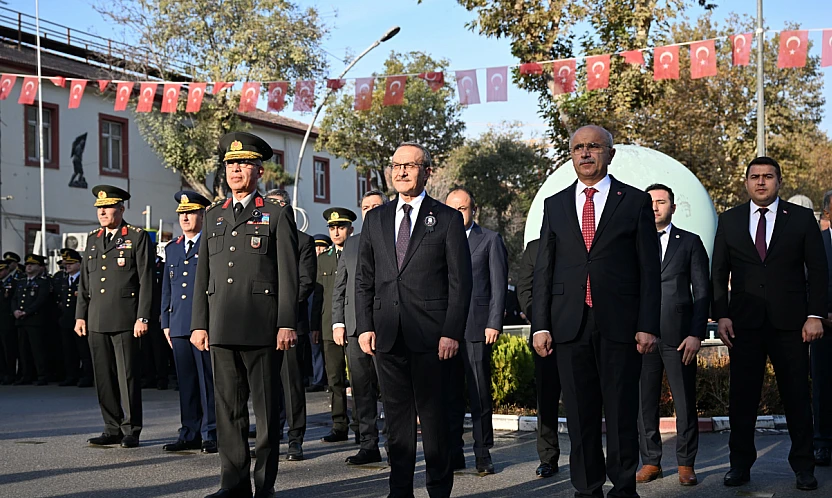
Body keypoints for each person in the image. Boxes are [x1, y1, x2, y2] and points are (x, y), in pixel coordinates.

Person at [532, 125, 661, 498]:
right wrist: (540, 325)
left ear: (610, 153)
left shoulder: (634, 201)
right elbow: (545, 269)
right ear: (571, 155)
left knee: (621, 413)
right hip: (569, 325)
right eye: (578, 148)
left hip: (620, 325)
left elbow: (649, 269)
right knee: (580, 416)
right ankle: (586, 489)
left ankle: (623, 488)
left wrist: (647, 325)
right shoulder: (554, 204)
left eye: (594, 147)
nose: (586, 153)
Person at [355, 142, 473, 498]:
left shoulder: (447, 218)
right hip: (388, 336)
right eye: (396, 165)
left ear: (427, 172)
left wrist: (452, 332)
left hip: (433, 339)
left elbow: (460, 282)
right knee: (396, 422)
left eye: (410, 166)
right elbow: (365, 278)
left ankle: (438, 489)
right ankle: (399, 490)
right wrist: (365, 326)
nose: (401, 172)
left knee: (435, 422)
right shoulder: (376, 218)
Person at [191, 131, 299, 498]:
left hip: (261, 326)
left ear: (259, 171)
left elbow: (288, 274)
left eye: (244, 164)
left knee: (267, 415)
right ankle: (233, 484)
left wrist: (286, 322)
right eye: (231, 164)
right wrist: (199, 324)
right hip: (220, 325)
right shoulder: (213, 216)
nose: (236, 169)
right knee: (228, 412)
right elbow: (202, 274)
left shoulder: (275, 214)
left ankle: (264, 486)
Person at [712, 156, 827, 491]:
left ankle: (804, 467)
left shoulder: (802, 219)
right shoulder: (730, 220)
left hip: (792, 324)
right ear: (746, 182)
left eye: (768, 176)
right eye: (754, 176)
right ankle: (739, 465)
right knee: (742, 399)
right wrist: (721, 314)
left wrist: (815, 315)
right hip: (743, 324)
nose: (761, 182)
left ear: (779, 181)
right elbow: (719, 273)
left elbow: (818, 271)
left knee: (795, 397)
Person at [636, 184, 710, 486]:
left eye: (661, 201)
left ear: (673, 207)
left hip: (680, 338)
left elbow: (702, 292)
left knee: (684, 403)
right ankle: (650, 461)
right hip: (642, 337)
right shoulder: (633, 242)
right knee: (644, 404)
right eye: (650, 202)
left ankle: (685, 463)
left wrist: (696, 334)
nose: (655, 207)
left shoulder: (690, 242)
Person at [76, 185, 154, 449]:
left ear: (121, 209)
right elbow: (84, 283)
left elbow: (146, 280)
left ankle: (131, 428)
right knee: (103, 376)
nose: (103, 212)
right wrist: (80, 316)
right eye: (99, 208)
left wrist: (142, 317)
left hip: (125, 319)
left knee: (127, 375)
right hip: (96, 318)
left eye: (108, 207)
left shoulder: (136, 236)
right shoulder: (93, 238)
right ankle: (111, 427)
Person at [445, 186, 507, 475]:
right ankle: (454, 452)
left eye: (463, 208)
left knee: (479, 394)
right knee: (449, 395)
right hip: (444, 330)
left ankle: (483, 453)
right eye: (452, 208)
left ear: (473, 210)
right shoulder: (437, 238)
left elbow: (498, 285)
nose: (458, 214)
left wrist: (494, 322)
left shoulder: (490, 240)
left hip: (476, 328)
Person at [160, 190, 217, 455]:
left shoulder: (210, 244)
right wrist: (166, 321)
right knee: (186, 382)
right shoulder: (172, 248)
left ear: (202, 214)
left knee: (207, 380)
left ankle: (210, 432)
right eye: (181, 213)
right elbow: (167, 288)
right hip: (179, 322)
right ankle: (189, 431)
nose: (185, 217)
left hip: (202, 323)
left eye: (190, 212)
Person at [332, 189, 387, 465]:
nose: (370, 210)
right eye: (366, 207)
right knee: (362, 391)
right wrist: (338, 322)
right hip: (354, 329)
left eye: (376, 205)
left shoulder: (395, 239)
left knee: (390, 390)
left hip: (386, 328)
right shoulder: (351, 244)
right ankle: (369, 444)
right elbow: (339, 287)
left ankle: (396, 444)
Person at [265, 188, 317, 462]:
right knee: (266, 385)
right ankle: (269, 436)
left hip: (290, 323)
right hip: (262, 323)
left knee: (291, 384)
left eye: (277, 204)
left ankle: (295, 437)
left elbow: (305, 282)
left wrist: (281, 307)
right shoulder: (261, 237)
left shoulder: (303, 241)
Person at [312, 206, 358, 443]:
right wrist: (315, 326)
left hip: (354, 325)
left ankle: (361, 424)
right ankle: (339, 425)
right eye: (332, 227)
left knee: (359, 378)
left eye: (340, 227)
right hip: (330, 325)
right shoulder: (324, 259)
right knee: (335, 379)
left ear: (350, 229)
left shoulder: (358, 253)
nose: (336, 231)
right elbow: (318, 295)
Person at [517, 238, 561, 479]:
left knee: (585, 399)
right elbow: (525, 290)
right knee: (546, 400)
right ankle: (548, 458)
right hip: (545, 337)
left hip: (579, 334)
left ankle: (586, 457)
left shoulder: (580, 243)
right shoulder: (535, 248)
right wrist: (542, 324)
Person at [813, 190, 832, 467]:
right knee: (823, 386)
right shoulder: (817, 243)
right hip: (825, 326)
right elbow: (807, 280)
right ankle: (823, 444)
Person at [57, 249, 93, 387]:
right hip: (67, 320)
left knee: (83, 350)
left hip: (81, 320)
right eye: (65, 264)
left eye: (71, 263)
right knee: (69, 350)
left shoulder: (84, 279)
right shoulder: (65, 280)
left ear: (79, 264)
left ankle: (87, 376)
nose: (67, 266)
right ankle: (71, 375)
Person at [13, 254, 52, 385]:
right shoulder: (22, 282)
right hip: (21, 320)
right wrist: (15, 310)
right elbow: (15, 298)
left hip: (35, 320)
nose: (28, 266)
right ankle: (26, 375)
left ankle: (42, 375)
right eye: (27, 264)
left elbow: (40, 300)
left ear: (39, 267)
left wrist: (27, 311)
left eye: (32, 264)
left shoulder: (43, 282)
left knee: (38, 350)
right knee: (23, 350)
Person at [306, 234, 331, 393]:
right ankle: (318, 377)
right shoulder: (309, 263)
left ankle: (323, 377)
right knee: (314, 345)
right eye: (316, 247)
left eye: (322, 247)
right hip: (312, 306)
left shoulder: (329, 262)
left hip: (326, 308)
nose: (319, 250)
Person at [0, 260, 18, 384]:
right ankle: (2, 373)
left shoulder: (14, 283)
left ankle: (10, 373)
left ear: (6, 270)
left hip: (8, 320)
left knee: (9, 348)